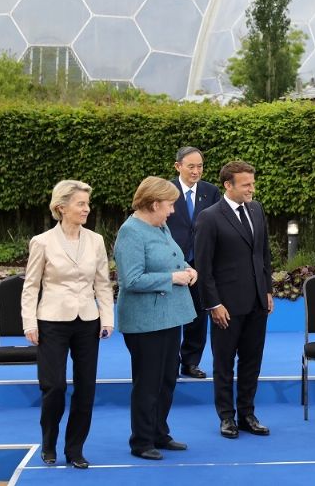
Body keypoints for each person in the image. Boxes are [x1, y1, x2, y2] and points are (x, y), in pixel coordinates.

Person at [20, 180, 114, 470]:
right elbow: (31, 286)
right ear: (61, 207)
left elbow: (102, 282)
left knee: (86, 388)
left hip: (88, 320)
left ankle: (75, 449)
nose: (87, 209)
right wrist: (29, 323)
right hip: (51, 321)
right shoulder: (42, 241)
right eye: (81, 204)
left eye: (87, 204)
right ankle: (49, 443)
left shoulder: (96, 240)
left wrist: (107, 317)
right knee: (55, 387)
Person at [115, 177, 198, 460]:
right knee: (148, 382)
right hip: (144, 321)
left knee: (166, 379)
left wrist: (187, 268)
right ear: (153, 204)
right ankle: (141, 440)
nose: (173, 210)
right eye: (169, 205)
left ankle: (160, 433)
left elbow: (172, 258)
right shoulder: (131, 232)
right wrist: (172, 278)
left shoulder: (159, 226)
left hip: (170, 316)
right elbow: (131, 279)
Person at [194, 161, 275, 438]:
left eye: (252, 183)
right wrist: (213, 304)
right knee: (224, 363)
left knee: (252, 361)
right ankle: (226, 417)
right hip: (225, 306)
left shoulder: (256, 209)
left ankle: (247, 414)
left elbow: (263, 254)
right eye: (246, 185)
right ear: (228, 185)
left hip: (256, 303)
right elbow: (204, 267)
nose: (251, 189)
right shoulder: (209, 217)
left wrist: (267, 290)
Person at [167, 146, 221, 379]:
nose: (196, 171)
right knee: (169, 317)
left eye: (200, 166)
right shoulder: (165, 190)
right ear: (178, 166)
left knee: (198, 317)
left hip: (200, 264)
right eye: (191, 166)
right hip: (169, 264)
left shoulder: (211, 192)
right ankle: (168, 363)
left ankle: (190, 362)